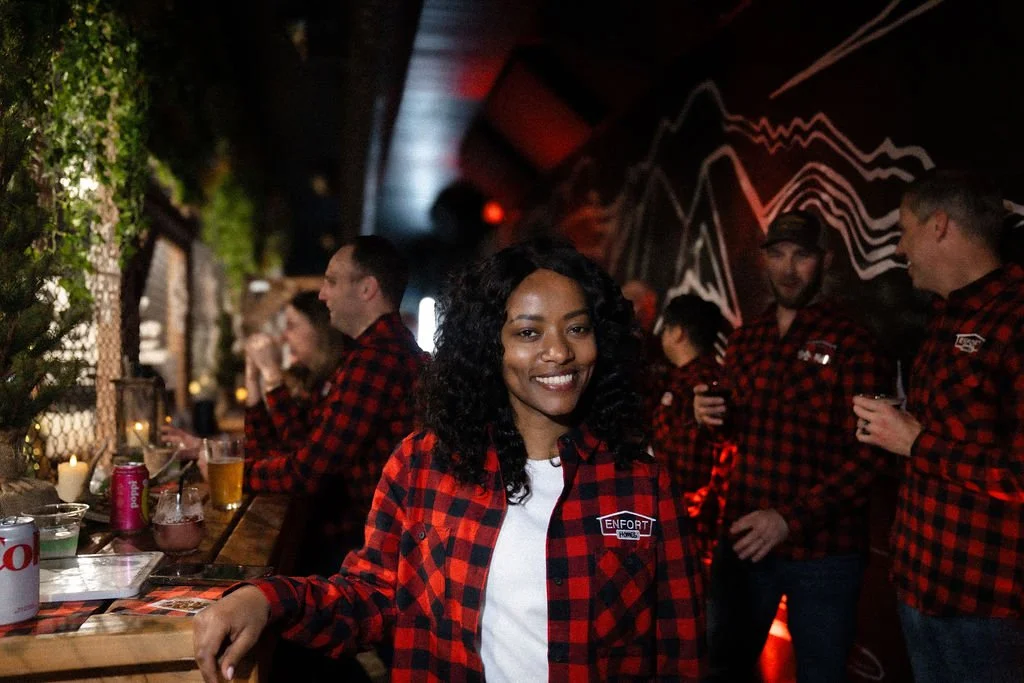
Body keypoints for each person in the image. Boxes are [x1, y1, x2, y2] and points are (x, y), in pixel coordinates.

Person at [193, 239, 706, 682]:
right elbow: (373, 595)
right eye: (528, 333)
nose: (559, 352)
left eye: (577, 329)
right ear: (490, 346)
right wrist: (266, 600)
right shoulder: (424, 466)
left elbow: (680, 653)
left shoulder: (642, 486)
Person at [694, 210, 892, 683]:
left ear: (824, 261)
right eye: (778, 254)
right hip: (745, 537)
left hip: (826, 553)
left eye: (801, 255)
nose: (788, 268)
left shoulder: (854, 342)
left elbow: (872, 455)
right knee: (721, 670)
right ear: (764, 259)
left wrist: (789, 519)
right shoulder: (745, 340)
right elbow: (735, 434)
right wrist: (709, 420)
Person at [853, 170, 1024, 682]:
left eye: (903, 230)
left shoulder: (1016, 316)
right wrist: (897, 429)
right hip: (920, 583)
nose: (899, 248)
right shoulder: (947, 315)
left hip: (987, 607)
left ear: (940, 225)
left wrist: (915, 441)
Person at [651, 295, 731, 559]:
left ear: (678, 333)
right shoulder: (682, 378)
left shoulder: (700, 384)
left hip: (689, 524)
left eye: (665, 329)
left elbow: (694, 462)